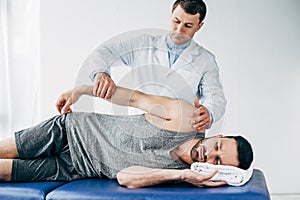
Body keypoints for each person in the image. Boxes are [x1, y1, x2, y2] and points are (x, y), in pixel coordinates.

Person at [0, 85, 253, 188]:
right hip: (69, 132)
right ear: (217, 135)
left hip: (73, 168)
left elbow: (125, 177)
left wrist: (183, 174)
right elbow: (134, 98)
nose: (211, 154)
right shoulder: (185, 118)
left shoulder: (182, 176)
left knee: (2, 172)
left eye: (218, 161)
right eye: (218, 146)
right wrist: (82, 90)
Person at [88, 0, 226, 131]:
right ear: (171, 16)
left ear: (199, 26)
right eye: (176, 21)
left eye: (188, 26)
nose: (179, 30)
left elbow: (216, 97)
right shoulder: (144, 44)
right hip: (135, 126)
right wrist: (101, 73)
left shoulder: (205, 60)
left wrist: (210, 113)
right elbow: (104, 51)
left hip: (175, 134)